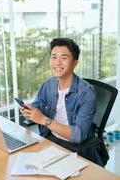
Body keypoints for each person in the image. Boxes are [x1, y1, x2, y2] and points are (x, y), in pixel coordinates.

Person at [20, 37, 102, 166]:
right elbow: (38, 106)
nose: (57, 63)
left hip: (76, 149)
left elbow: (78, 135)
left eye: (64, 58)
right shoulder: (48, 84)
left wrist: (43, 120)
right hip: (49, 140)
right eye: (54, 57)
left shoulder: (86, 93)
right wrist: (29, 111)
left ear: (75, 63)